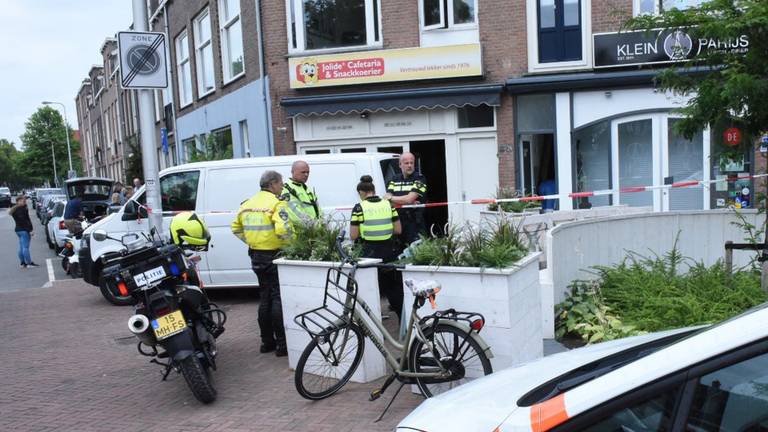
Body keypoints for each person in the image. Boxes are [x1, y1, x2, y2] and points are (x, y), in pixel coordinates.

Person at [231, 170, 294, 357]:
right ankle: (282, 346)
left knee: (264, 297)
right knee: (277, 298)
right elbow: (284, 230)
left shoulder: (247, 204)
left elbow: (236, 228)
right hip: (274, 254)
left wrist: (253, 242)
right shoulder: (276, 203)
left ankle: (267, 343)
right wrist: (290, 247)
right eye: (281, 183)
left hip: (256, 255)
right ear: (273, 184)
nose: (282, 186)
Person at [351, 175, 403, 319]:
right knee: (394, 290)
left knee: (372, 290)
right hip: (389, 252)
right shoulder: (388, 204)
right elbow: (398, 230)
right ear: (373, 190)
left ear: (361, 192)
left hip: (370, 254)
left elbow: (354, 235)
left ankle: (378, 329)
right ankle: (403, 324)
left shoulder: (359, 208)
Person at [384, 152, 427, 246]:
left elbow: (409, 199)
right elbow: (386, 199)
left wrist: (392, 198)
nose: (410, 165)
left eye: (412, 163)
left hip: (414, 223)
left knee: (416, 253)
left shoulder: (420, 178)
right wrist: (403, 200)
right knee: (398, 253)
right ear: (400, 165)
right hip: (397, 222)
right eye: (406, 163)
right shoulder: (394, 179)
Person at [282, 160, 321, 224]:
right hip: (303, 230)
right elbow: (295, 213)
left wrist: (322, 223)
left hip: (313, 230)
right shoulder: (286, 189)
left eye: (308, 172)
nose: (306, 175)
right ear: (293, 172)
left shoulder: (306, 188)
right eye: (303, 172)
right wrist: (312, 225)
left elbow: (318, 208)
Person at [9, 196, 39, 268]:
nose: (24, 202)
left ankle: (23, 263)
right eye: (23, 201)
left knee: (21, 247)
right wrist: (30, 230)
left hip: (18, 230)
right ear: (18, 201)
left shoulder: (15, 209)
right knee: (25, 247)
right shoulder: (21, 209)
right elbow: (24, 221)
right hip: (24, 230)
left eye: (25, 201)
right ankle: (29, 263)